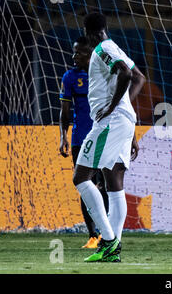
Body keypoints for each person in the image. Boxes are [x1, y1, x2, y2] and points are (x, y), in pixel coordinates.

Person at [73, 12, 145, 262]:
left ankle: (108, 239)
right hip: (121, 122)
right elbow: (139, 77)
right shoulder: (114, 46)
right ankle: (113, 247)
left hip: (110, 123)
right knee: (114, 183)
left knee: (81, 177)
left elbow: (126, 74)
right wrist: (126, 116)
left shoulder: (102, 49)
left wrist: (114, 108)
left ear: (89, 31)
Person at [59, 36, 109, 249]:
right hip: (80, 138)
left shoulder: (104, 74)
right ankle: (92, 234)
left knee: (105, 185)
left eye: (79, 53)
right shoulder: (70, 77)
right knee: (84, 185)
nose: (74, 56)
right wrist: (63, 136)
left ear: (90, 56)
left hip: (104, 136)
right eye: (74, 52)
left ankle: (107, 232)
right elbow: (65, 111)